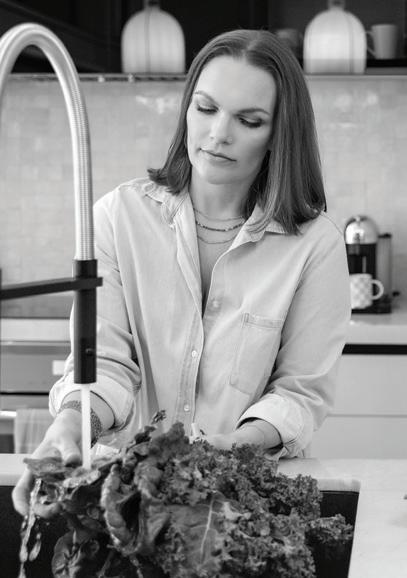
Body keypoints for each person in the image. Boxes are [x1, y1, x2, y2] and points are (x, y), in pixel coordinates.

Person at [13, 28, 351, 517]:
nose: (218, 134)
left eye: (249, 120)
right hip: (124, 503)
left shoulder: (315, 246)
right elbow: (104, 364)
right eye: (206, 108)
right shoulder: (117, 218)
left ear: (279, 133)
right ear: (187, 108)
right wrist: (72, 423)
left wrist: (236, 446)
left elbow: (299, 394)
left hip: (239, 504)